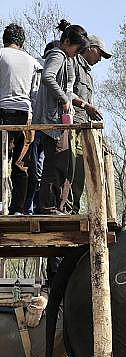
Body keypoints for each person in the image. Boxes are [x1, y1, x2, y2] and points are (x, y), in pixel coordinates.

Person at [33, 20, 88, 215]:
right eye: (76, 47)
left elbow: (66, 90)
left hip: (61, 120)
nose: (77, 51)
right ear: (66, 42)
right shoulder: (57, 54)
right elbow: (48, 77)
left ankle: (57, 206)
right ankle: (48, 207)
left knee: (63, 162)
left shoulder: (68, 58)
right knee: (54, 162)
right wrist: (65, 100)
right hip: (51, 120)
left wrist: (83, 104)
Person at [0, 23, 42, 214]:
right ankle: (17, 208)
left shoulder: (1, 55)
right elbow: (35, 93)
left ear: (4, 39)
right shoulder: (32, 61)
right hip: (24, 114)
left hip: (2, 110)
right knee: (21, 163)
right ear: (22, 42)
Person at [68, 34, 109, 214]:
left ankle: (74, 208)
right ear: (90, 48)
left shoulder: (88, 74)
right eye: (100, 54)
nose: (100, 59)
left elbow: (86, 102)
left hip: (83, 127)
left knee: (80, 172)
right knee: (70, 169)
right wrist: (86, 106)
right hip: (70, 126)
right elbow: (66, 92)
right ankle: (66, 208)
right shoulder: (73, 63)